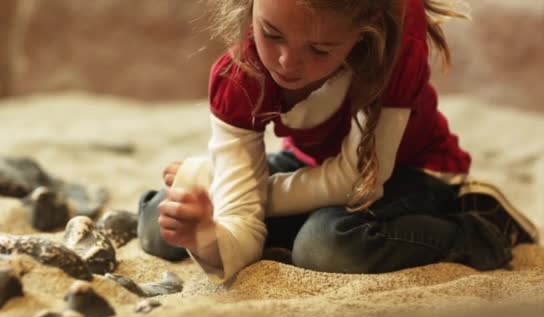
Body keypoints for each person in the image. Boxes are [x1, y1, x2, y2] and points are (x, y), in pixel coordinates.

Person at [137, 0, 540, 284]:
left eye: (319, 49)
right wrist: (205, 231)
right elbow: (238, 224)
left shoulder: (395, 40)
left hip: (408, 170)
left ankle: (482, 226)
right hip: (309, 164)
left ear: (366, 33)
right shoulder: (239, 76)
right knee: (160, 221)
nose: (286, 63)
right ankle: (280, 228)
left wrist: (224, 183)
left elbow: (359, 180)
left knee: (325, 248)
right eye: (270, 33)